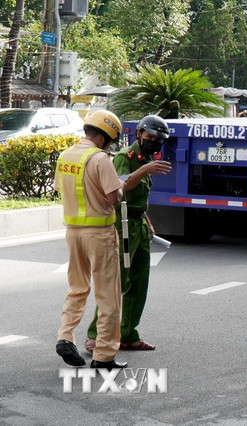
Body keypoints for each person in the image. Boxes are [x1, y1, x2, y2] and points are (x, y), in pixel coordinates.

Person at [85, 115, 172, 353]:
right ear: (138, 134)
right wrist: (144, 170)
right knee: (116, 283)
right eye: (149, 136)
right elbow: (120, 188)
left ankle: (128, 334)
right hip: (121, 225)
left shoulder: (145, 159)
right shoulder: (126, 158)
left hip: (138, 224)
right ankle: (95, 335)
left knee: (138, 283)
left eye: (158, 139)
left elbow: (137, 200)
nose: (153, 141)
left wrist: (147, 222)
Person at [55, 110, 127, 370]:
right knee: (108, 294)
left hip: (72, 233)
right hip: (100, 234)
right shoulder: (100, 159)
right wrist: (119, 186)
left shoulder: (65, 156)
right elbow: (112, 198)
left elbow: (62, 189)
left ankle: (65, 336)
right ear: (106, 137)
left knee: (77, 288)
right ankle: (104, 355)